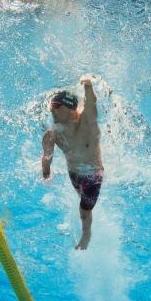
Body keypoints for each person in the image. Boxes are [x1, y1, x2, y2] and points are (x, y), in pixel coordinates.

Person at [41, 78, 103, 250]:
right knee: (81, 199)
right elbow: (47, 156)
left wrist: (89, 87)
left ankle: (86, 236)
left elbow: (91, 104)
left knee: (84, 210)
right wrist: (46, 173)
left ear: (69, 109)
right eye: (51, 108)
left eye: (56, 108)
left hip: (93, 174)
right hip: (74, 173)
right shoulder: (53, 133)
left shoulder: (86, 123)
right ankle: (86, 213)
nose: (52, 111)